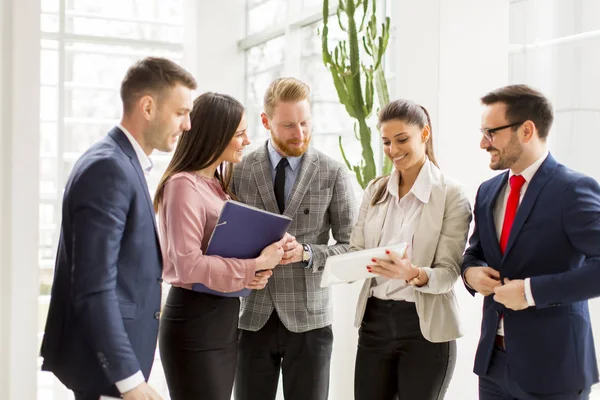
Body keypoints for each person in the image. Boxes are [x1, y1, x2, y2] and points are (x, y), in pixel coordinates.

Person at [40, 57, 196, 400]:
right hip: (105, 375)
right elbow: (94, 286)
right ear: (148, 107)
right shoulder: (108, 168)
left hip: (113, 371)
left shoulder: (123, 162)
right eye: (181, 112)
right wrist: (129, 381)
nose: (187, 125)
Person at [462, 84, 600, 400]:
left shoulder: (573, 190)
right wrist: (471, 273)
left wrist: (530, 292)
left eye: (491, 133)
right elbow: (475, 253)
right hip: (493, 365)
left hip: (555, 367)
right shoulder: (487, 191)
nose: (483, 143)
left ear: (526, 130)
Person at [232, 77, 357, 400]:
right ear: (265, 121)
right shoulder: (239, 171)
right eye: (288, 125)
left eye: (304, 122)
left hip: (310, 320)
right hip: (252, 317)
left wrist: (306, 253)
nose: (299, 134)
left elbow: (352, 248)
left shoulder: (333, 173)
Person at [153, 92, 285, 400]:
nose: (247, 140)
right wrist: (254, 265)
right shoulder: (182, 186)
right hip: (194, 323)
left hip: (223, 320)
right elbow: (189, 265)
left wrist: (254, 273)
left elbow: (221, 253)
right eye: (240, 133)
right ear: (215, 135)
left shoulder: (214, 185)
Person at [350, 99, 472, 400]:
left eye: (402, 139)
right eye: (387, 142)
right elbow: (355, 249)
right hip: (374, 322)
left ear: (425, 134)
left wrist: (414, 274)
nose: (393, 150)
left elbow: (449, 272)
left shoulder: (451, 195)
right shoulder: (375, 190)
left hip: (425, 327)